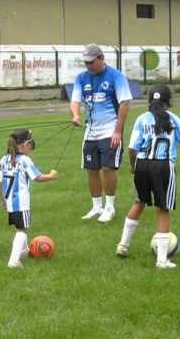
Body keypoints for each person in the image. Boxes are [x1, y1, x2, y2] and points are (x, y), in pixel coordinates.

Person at [116, 85, 180, 268]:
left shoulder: (142, 118)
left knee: (138, 203)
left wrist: (134, 166)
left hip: (142, 164)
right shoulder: (173, 119)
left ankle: (122, 246)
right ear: (170, 101)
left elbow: (132, 148)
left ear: (150, 100)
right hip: (163, 166)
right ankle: (162, 260)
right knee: (163, 208)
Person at [70, 43, 132, 223]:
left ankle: (109, 206)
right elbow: (75, 100)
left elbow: (124, 104)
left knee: (108, 168)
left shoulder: (116, 76)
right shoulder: (81, 78)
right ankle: (96, 207)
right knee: (91, 169)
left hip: (110, 129)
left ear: (101, 59)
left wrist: (117, 132)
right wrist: (75, 115)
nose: (88, 66)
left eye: (91, 62)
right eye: (86, 62)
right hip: (90, 131)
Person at [0, 128, 58, 268]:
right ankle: (13, 261)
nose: (31, 147)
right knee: (22, 230)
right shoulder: (24, 160)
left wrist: (2, 200)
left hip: (10, 202)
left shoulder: (3, 159)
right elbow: (38, 177)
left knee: (21, 227)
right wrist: (52, 175)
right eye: (30, 144)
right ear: (24, 144)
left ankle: (23, 251)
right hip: (21, 203)